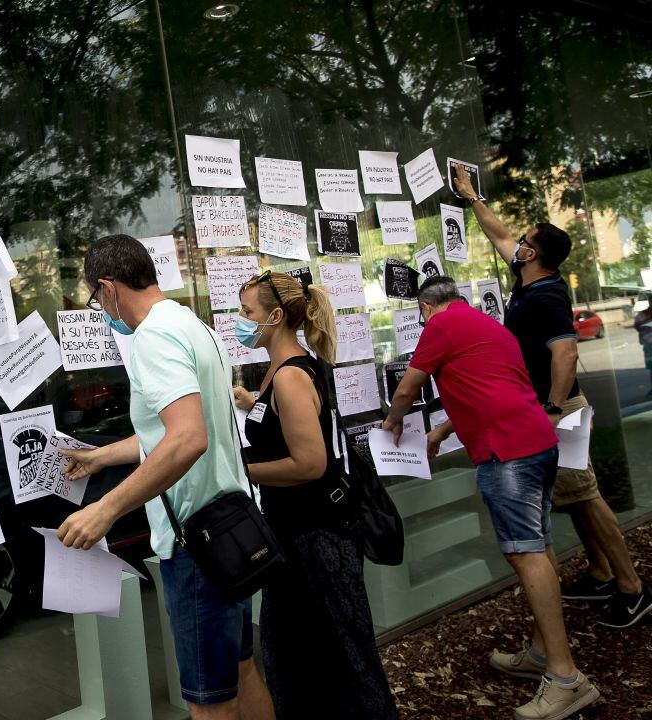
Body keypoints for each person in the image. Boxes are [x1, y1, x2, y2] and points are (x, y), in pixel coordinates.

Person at [56, 234, 275, 720]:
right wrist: (102, 457)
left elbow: (188, 439)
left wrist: (106, 508)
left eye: (95, 299)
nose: (100, 310)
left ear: (108, 288)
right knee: (242, 671)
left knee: (209, 703)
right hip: (230, 528)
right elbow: (175, 428)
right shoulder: (191, 324)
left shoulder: (153, 337)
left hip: (198, 543)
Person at [384, 276, 599, 720]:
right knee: (539, 545)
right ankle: (542, 652)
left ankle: (565, 679)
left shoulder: (440, 326)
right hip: (537, 441)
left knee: (525, 553)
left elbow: (407, 389)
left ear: (425, 308)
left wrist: (392, 424)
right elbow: (494, 386)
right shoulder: (488, 325)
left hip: (508, 452)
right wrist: (443, 429)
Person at [454, 165, 650, 629]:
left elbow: (565, 353)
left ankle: (633, 589)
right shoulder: (528, 278)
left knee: (587, 496)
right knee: (572, 495)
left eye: (525, 239)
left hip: (560, 409)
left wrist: (553, 409)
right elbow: (499, 233)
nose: (516, 242)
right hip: (549, 409)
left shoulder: (545, 297)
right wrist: (471, 195)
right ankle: (601, 573)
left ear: (533, 254)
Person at [231, 270, 398, 720]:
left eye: (247, 311)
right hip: (293, 536)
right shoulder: (283, 369)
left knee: (342, 661)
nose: (240, 319)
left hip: (316, 540)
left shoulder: (290, 376)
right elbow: (286, 423)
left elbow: (309, 463)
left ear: (275, 317)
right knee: (298, 658)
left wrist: (240, 470)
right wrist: (251, 405)